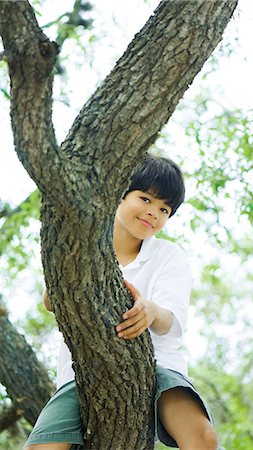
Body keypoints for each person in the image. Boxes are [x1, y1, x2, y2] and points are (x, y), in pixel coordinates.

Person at [24, 155, 218, 450]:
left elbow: (172, 321)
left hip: (156, 366)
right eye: (145, 199)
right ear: (119, 193)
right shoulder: (83, 247)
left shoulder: (168, 255)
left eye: (164, 209)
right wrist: (62, 283)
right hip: (80, 373)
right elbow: (51, 302)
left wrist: (151, 311)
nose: (154, 212)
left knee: (202, 437)